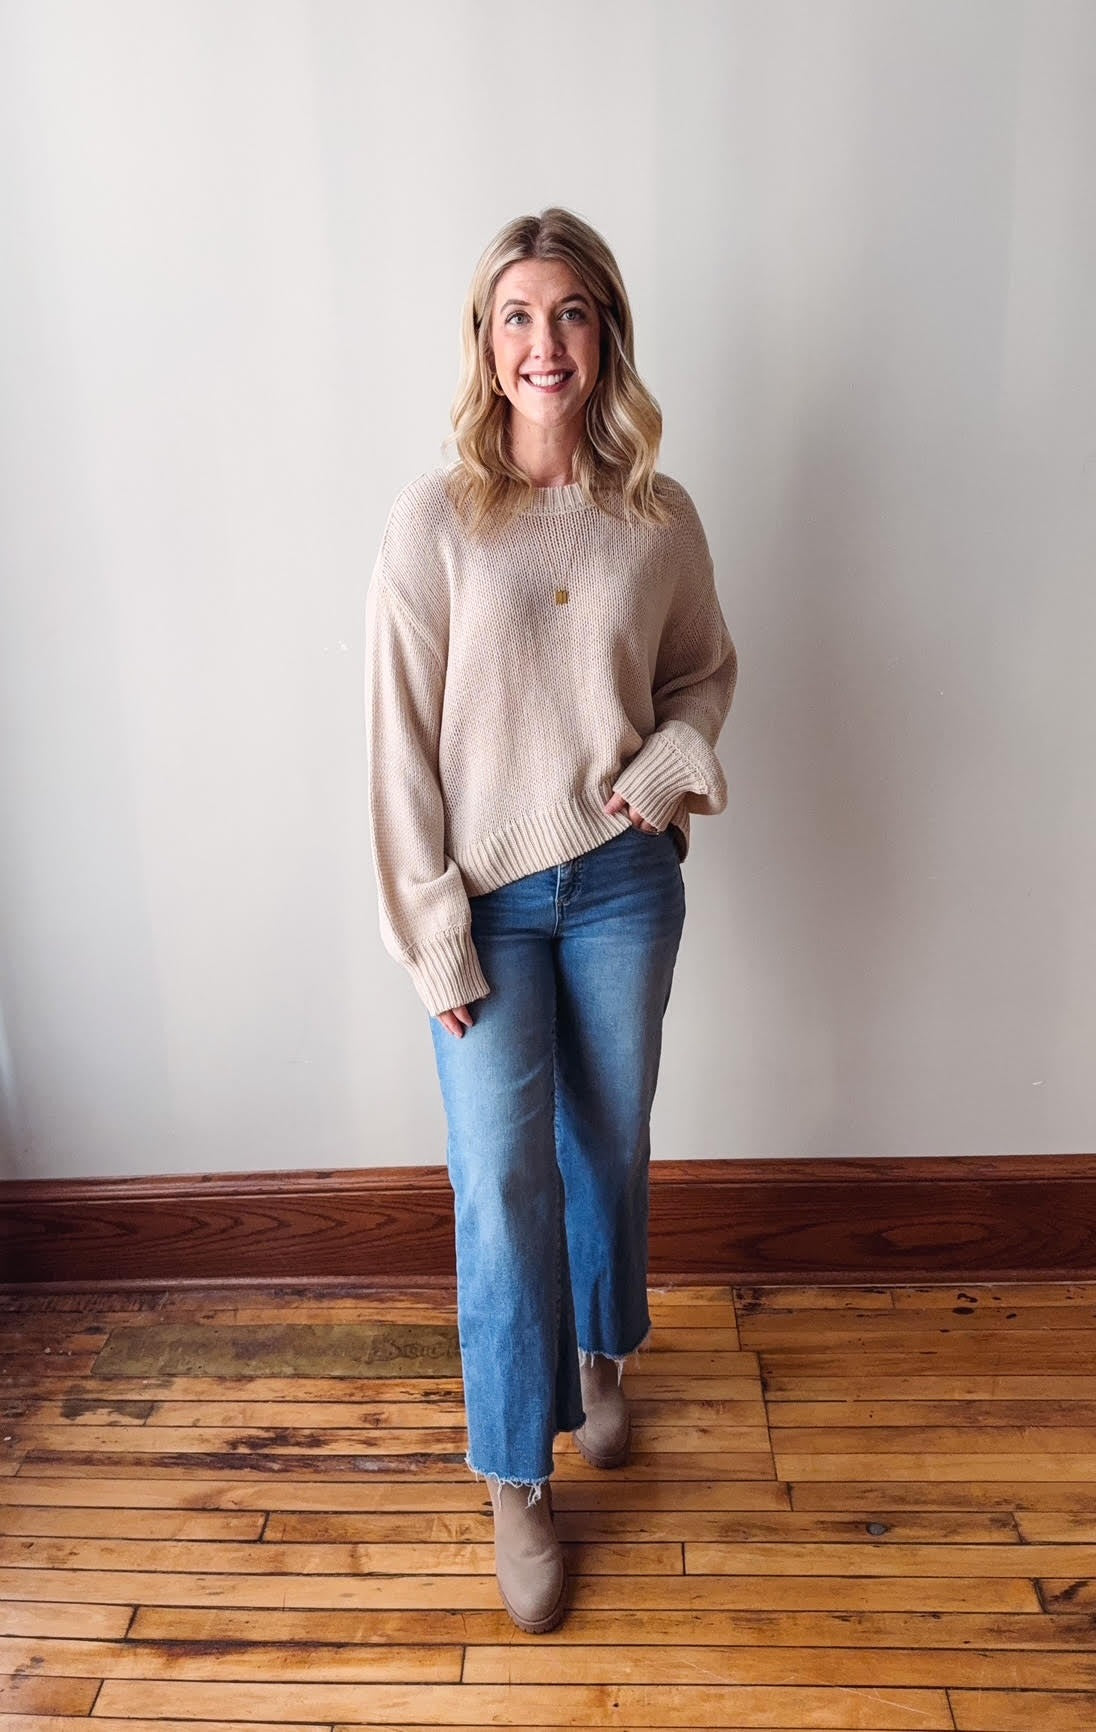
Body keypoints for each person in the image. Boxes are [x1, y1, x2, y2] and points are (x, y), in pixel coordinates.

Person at [364, 206, 737, 1633]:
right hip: (489, 906)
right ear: (485, 342)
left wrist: (671, 761)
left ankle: (601, 1350)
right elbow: (399, 749)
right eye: (517, 316)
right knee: (500, 1182)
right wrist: (432, 935)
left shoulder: (660, 516)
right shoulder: (437, 522)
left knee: (610, 1139)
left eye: (570, 312)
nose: (545, 344)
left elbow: (703, 673)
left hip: (626, 886)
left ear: (606, 334)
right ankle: (517, 1474)